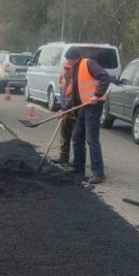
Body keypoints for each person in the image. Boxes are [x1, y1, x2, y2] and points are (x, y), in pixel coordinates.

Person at [61, 47, 110, 184]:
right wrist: (64, 109)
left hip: (93, 106)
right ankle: (78, 167)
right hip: (84, 106)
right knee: (77, 136)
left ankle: (98, 173)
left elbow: (105, 77)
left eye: (68, 60)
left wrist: (97, 95)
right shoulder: (76, 69)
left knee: (91, 139)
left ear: (74, 58)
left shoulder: (89, 63)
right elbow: (75, 95)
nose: (68, 63)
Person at [52, 60, 76, 164]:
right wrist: (62, 109)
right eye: (65, 68)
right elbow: (63, 96)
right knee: (64, 136)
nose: (66, 71)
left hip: (75, 113)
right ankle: (63, 157)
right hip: (66, 112)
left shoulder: (76, 80)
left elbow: (71, 98)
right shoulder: (62, 78)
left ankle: (77, 160)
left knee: (76, 138)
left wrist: (64, 110)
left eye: (68, 69)